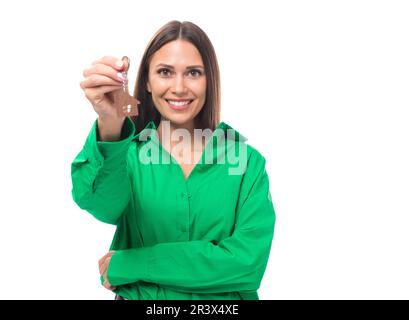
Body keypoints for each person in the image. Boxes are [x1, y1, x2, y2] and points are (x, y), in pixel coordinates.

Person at [71, 20, 276, 300]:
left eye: (193, 72)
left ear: (209, 80)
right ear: (147, 82)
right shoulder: (128, 153)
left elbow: (246, 264)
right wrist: (111, 118)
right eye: (165, 72)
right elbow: (100, 204)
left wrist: (132, 263)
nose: (179, 87)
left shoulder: (245, 162)